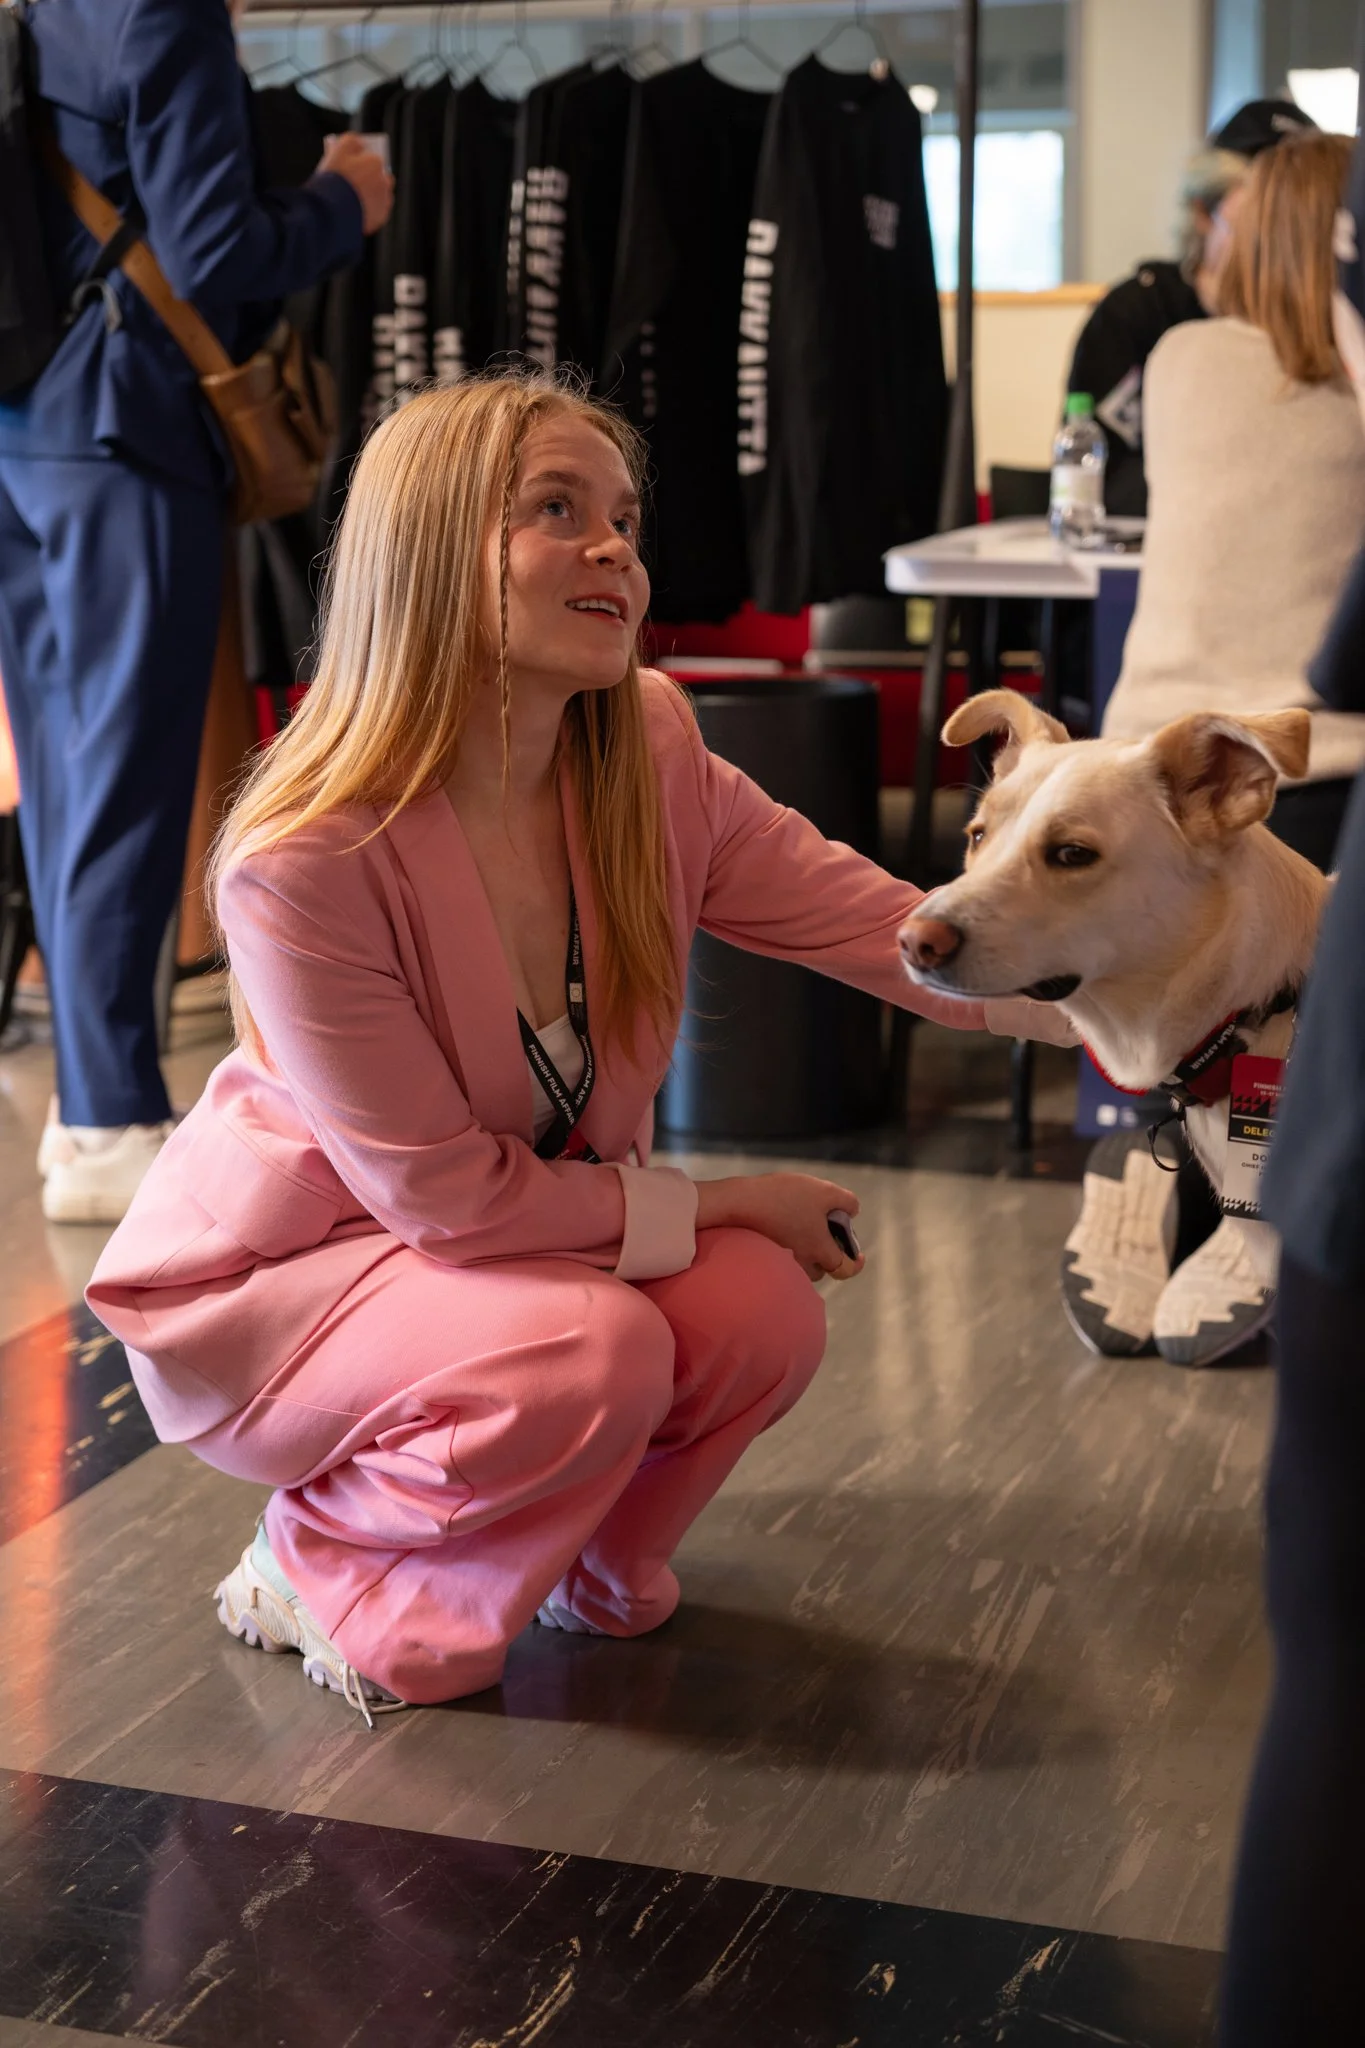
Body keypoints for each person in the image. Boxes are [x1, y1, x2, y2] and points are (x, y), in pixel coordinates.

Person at [86, 372, 1072, 1719]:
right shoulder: (300, 861)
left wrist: (1138, 994)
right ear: (431, 552)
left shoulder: (649, 748)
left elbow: (888, 930)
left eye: (621, 515)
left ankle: (578, 1556)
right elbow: (445, 1200)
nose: (616, 546)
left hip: (501, 1256)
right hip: (287, 1289)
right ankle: (313, 1560)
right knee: (588, 1346)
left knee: (754, 1310)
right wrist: (737, 1202)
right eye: (556, 510)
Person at [0, 0, 394, 1224]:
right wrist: (344, 201)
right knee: (123, 777)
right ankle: (112, 1111)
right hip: (123, 422)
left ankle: (89, 1109)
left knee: (68, 779)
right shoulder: (159, 10)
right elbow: (216, 250)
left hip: (23, 423)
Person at [1062, 131, 1365, 1366]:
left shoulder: (1182, 356)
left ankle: (1149, 1150)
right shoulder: (1357, 383)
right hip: (1316, 764)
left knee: (1196, 976)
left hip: (1143, 771)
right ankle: (1258, 1190)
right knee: (1301, 995)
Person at [1066, 97, 1317, 516]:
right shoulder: (1137, 314)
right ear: (1204, 214)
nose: (1280, 245)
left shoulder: (1325, 321)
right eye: (1260, 222)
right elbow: (1096, 475)